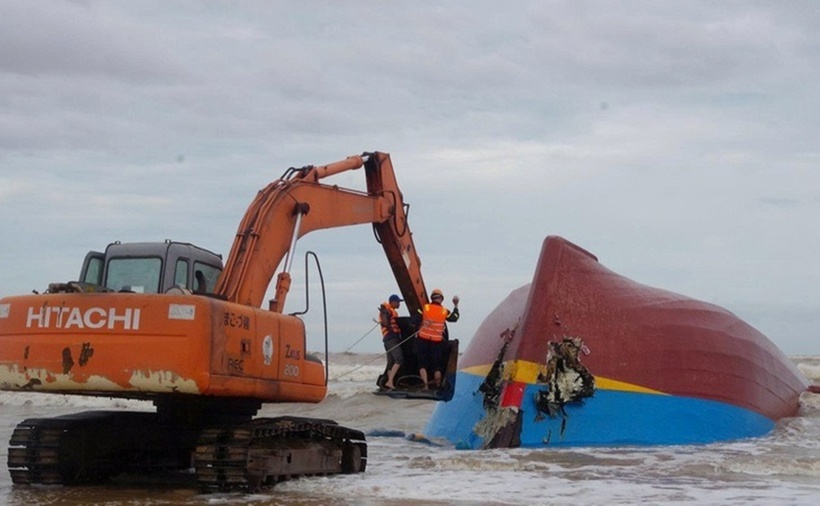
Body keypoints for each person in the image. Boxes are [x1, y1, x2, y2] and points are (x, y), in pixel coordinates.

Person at [415, 288, 459, 390]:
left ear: (432, 298)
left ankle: (425, 385)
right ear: (441, 299)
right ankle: (438, 385)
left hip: (423, 339)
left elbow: (415, 319)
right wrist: (456, 306)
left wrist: (419, 325)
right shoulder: (444, 311)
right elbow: (455, 317)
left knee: (422, 363)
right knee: (436, 365)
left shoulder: (425, 307)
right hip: (436, 341)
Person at [378, 293, 405, 390]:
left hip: (387, 339)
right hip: (391, 338)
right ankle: (390, 382)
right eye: (398, 302)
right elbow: (386, 322)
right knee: (399, 359)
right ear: (392, 302)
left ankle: (390, 383)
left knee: (391, 362)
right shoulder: (387, 311)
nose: (399, 304)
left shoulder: (388, 311)